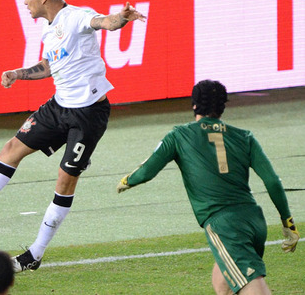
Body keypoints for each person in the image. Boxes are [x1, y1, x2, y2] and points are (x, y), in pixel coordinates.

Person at [0, 0, 147, 272]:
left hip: (87, 115)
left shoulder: (76, 16)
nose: (25, 2)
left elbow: (104, 22)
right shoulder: (50, 27)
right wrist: (19, 74)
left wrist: (121, 18)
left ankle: (35, 254)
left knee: (64, 180)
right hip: (58, 106)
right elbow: (50, 65)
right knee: (10, 150)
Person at [116, 80, 300, 295]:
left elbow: (147, 171)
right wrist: (288, 222)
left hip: (225, 226)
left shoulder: (180, 135)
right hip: (254, 221)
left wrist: (128, 180)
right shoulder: (245, 137)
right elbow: (272, 182)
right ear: (223, 106)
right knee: (223, 285)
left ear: (194, 105)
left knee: (252, 287)